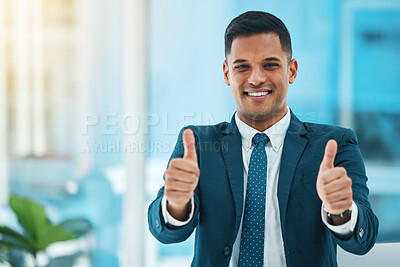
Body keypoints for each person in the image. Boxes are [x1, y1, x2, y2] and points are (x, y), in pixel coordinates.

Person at [148, 11, 378, 267]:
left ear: (292, 71)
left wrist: (341, 212)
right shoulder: (198, 145)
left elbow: (363, 239)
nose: (256, 78)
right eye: (242, 66)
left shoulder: (334, 145)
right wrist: (176, 205)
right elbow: (166, 232)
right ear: (226, 74)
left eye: (270, 65)